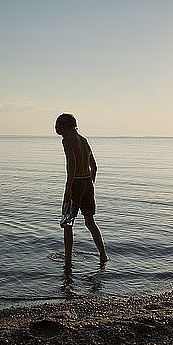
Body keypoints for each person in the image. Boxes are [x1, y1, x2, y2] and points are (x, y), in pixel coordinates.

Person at [55, 113, 107, 264]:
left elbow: (72, 165)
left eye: (58, 127)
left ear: (64, 127)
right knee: (90, 221)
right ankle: (103, 255)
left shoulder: (67, 140)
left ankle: (68, 260)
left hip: (76, 183)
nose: (58, 131)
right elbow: (94, 167)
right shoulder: (84, 140)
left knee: (67, 223)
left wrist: (68, 188)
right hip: (87, 182)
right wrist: (90, 186)